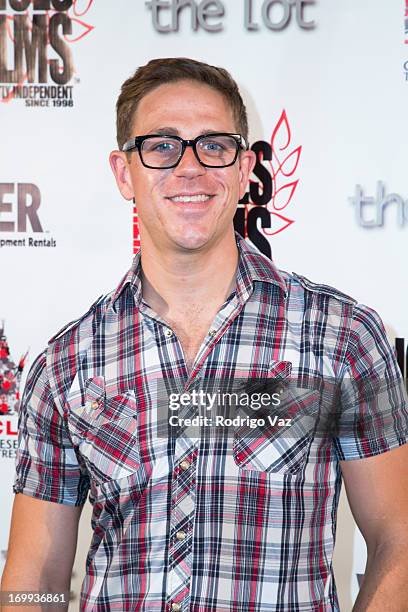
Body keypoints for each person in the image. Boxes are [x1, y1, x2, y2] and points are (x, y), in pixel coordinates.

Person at [1, 57, 408, 612]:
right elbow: (34, 575)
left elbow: (398, 541)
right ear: (124, 173)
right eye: (162, 147)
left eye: (213, 145)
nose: (189, 168)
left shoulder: (340, 337)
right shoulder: (66, 363)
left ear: (244, 169)